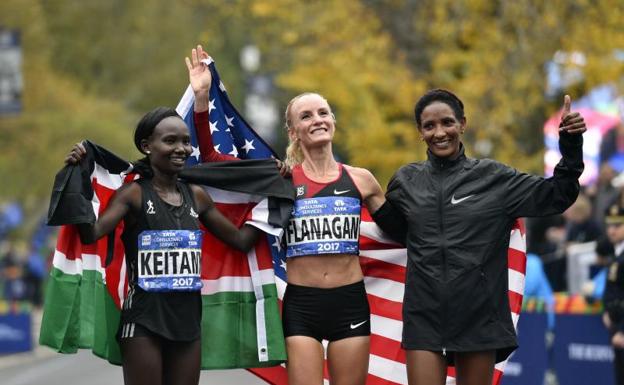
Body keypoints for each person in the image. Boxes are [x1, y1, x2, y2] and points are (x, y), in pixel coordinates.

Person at [186, 45, 386, 385]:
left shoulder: (362, 179)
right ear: (293, 132)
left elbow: (400, 232)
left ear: (332, 121)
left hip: (350, 302)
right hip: (302, 305)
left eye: (323, 112)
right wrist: (202, 98)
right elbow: (210, 158)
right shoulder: (281, 179)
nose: (317, 120)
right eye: (306, 116)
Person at [372, 89, 586, 385]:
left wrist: (571, 144)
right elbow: (397, 233)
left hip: (480, 314)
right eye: (429, 126)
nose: (440, 132)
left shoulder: (494, 177)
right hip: (424, 314)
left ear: (463, 123)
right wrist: (370, 195)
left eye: (447, 122)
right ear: (420, 132)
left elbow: (558, 194)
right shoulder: (405, 181)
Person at [65, 105, 271, 385]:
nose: (182, 148)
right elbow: (91, 234)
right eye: (170, 141)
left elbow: (241, 240)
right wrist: (77, 177)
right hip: (143, 322)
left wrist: (271, 200)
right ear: (146, 146)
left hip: (187, 324)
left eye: (186, 141)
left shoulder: (196, 196)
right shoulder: (133, 194)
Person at [602, 203, 624, 385]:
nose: (612, 230)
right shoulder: (616, 253)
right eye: (609, 225)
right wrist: (607, 311)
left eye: (617, 226)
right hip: (616, 323)